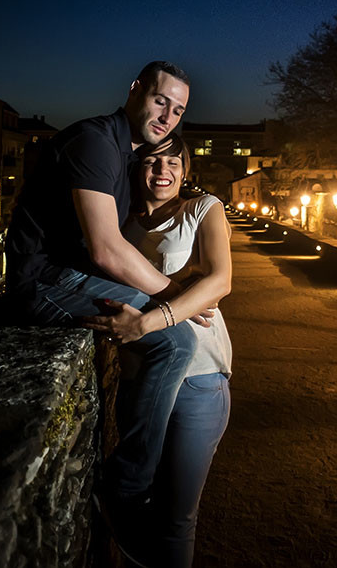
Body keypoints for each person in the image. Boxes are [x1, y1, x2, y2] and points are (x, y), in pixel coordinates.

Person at [4, 61, 214, 562]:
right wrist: (173, 296)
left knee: (159, 333)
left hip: (65, 276)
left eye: (178, 110)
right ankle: (125, 487)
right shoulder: (96, 141)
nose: (167, 116)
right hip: (46, 282)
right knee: (176, 340)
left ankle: (131, 477)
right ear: (135, 90)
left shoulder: (125, 153)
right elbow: (105, 248)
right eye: (161, 100)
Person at [113, 133, 233, 568]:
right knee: (134, 502)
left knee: (176, 518)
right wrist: (184, 289)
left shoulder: (203, 209)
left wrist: (146, 321)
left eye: (173, 163)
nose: (162, 170)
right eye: (152, 161)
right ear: (136, 168)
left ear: (185, 171)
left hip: (198, 379)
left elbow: (219, 281)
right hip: (138, 378)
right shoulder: (120, 227)